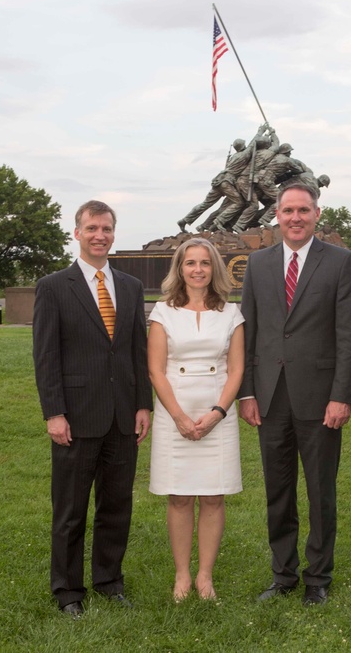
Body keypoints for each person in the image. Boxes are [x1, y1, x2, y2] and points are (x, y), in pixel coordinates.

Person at [238, 181, 351, 606]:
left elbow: (349, 334)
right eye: (287, 210)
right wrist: (247, 393)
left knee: (320, 490)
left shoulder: (341, 263)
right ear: (277, 214)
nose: (295, 218)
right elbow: (249, 331)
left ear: (317, 215)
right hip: (270, 398)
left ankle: (318, 577)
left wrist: (342, 395)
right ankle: (283, 575)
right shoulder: (258, 264)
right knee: (278, 490)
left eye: (303, 211)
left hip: (321, 398)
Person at [32, 200, 153, 617]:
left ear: (113, 234)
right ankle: (67, 591)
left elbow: (138, 350)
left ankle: (109, 580)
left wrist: (143, 405)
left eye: (106, 228)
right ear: (77, 233)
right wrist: (54, 412)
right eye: (92, 228)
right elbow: (46, 356)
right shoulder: (53, 287)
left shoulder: (132, 287)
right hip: (76, 417)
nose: (99, 235)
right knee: (70, 509)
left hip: (123, 416)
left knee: (116, 505)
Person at [147, 238, 246, 601]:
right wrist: (179, 417)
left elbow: (236, 369)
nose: (198, 269)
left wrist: (218, 413)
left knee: (214, 498)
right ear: (180, 268)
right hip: (175, 412)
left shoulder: (231, 313)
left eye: (205, 263)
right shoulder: (162, 312)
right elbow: (156, 371)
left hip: (218, 411)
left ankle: (205, 576)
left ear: (215, 268)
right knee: (179, 498)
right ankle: (182, 576)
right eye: (191, 263)